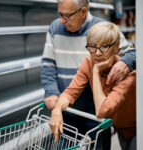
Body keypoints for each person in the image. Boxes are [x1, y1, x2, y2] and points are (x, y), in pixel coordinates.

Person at [41, 0, 136, 149]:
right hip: (75, 110)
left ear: (83, 11)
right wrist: (56, 104)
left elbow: (132, 53)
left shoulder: (106, 33)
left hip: (120, 120)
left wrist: (101, 69)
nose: (97, 53)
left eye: (67, 15)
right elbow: (67, 86)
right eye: (92, 47)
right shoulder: (88, 60)